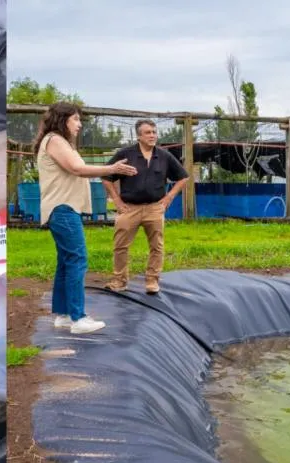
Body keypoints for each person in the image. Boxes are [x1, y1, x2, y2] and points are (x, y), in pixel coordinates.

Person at [34, 102, 137, 334]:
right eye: (76, 119)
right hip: (63, 209)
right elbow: (78, 169)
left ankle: (63, 315)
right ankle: (79, 319)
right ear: (63, 120)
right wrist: (113, 169)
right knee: (77, 260)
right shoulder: (55, 141)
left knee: (66, 262)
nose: (79, 125)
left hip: (62, 209)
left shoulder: (58, 142)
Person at [102, 119, 189, 295]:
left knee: (157, 246)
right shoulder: (126, 155)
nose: (152, 135)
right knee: (121, 246)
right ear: (139, 136)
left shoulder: (164, 156)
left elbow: (183, 177)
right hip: (129, 208)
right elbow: (106, 175)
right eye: (148, 132)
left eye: (154, 132)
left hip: (154, 208)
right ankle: (119, 281)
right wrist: (117, 201)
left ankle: (152, 281)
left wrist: (169, 197)